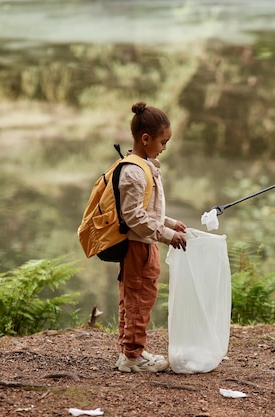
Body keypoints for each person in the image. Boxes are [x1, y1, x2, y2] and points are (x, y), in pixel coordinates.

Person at [115, 101, 187, 373]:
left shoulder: (145, 165)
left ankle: (129, 351)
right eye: (163, 142)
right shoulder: (134, 172)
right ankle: (133, 356)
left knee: (136, 297)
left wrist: (169, 223)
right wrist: (167, 235)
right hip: (138, 247)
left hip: (145, 243)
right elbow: (133, 216)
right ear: (145, 139)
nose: (164, 148)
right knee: (138, 300)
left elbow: (147, 211)